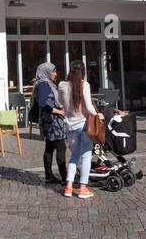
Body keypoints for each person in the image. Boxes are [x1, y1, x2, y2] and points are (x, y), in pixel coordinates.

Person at [57, 60, 99, 199]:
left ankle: (68, 187)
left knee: (74, 156)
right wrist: (98, 115)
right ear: (83, 72)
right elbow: (88, 106)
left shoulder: (62, 85)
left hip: (70, 125)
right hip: (84, 124)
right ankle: (82, 188)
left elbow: (61, 103)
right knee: (86, 156)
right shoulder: (84, 85)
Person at [33, 62, 66, 184]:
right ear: (46, 71)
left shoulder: (45, 84)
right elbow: (43, 104)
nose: (55, 74)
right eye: (53, 71)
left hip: (49, 121)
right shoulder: (43, 85)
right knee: (60, 147)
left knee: (49, 148)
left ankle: (49, 176)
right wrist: (59, 112)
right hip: (52, 122)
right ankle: (64, 177)